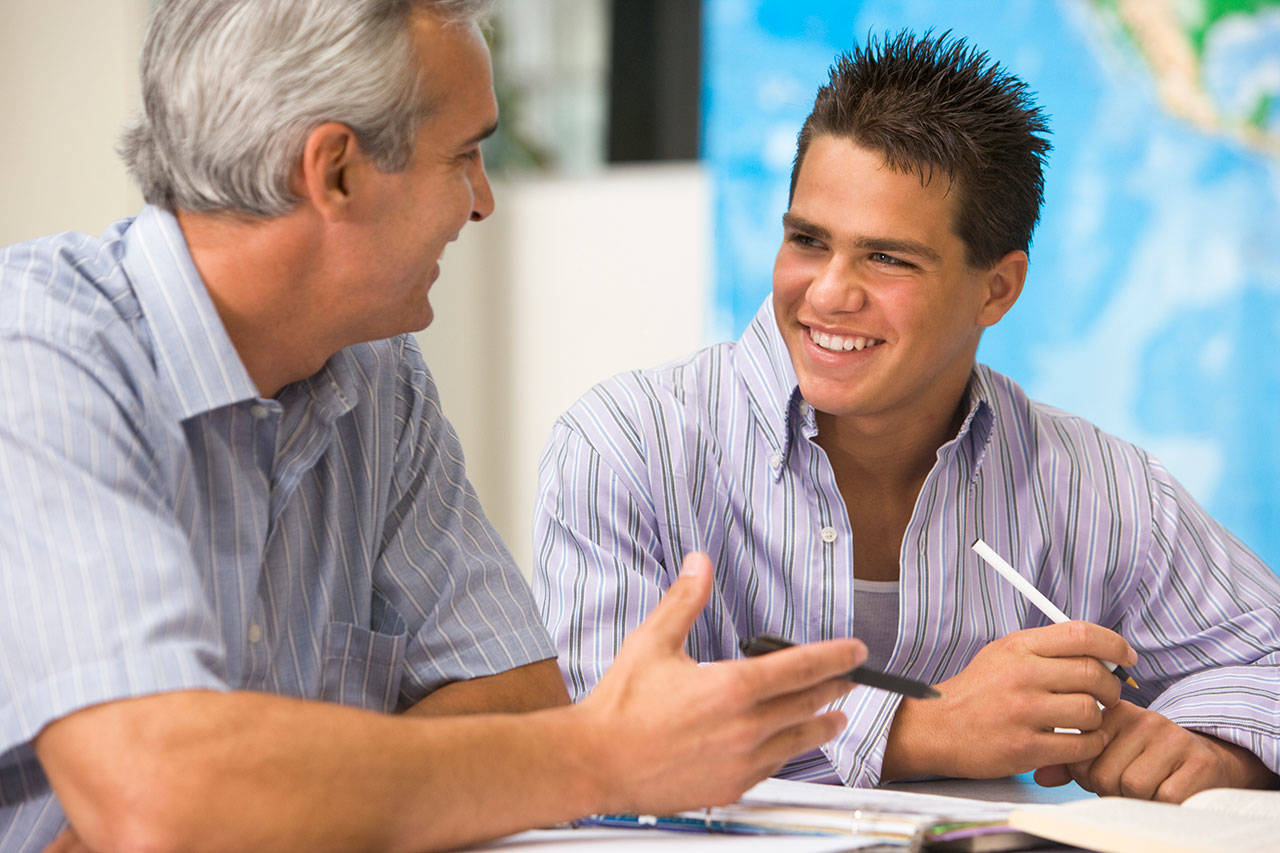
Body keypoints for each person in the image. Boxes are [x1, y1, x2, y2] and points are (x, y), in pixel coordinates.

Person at [0, 1, 869, 849]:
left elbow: (516, 690)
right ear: (334, 170)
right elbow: (164, 803)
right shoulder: (40, 354)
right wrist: (600, 755)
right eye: (464, 155)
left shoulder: (376, 377)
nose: (482, 202)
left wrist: (256, 790)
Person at [534, 30, 1280, 803]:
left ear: (997, 289)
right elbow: (601, 739)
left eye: (887, 258)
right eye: (807, 240)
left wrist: (1214, 749)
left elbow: (1269, 661)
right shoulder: (622, 445)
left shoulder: (1096, 485)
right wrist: (919, 728)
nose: (827, 292)